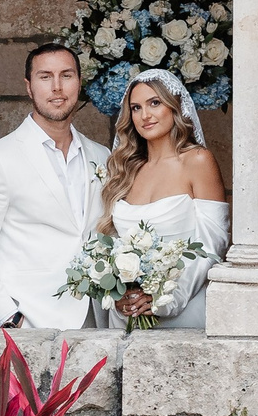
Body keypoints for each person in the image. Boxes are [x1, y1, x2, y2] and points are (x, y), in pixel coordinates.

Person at [0, 42, 112, 329]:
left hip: (96, 321)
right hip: (30, 322)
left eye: (66, 75)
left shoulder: (102, 156)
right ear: (29, 87)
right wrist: (9, 318)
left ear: (79, 82)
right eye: (45, 76)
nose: (57, 87)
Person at [96, 67, 228, 329]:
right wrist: (116, 293)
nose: (145, 115)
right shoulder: (124, 169)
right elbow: (110, 244)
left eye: (154, 103)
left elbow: (214, 244)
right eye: (135, 108)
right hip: (127, 315)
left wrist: (164, 299)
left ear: (175, 106)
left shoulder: (198, 161)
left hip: (183, 309)